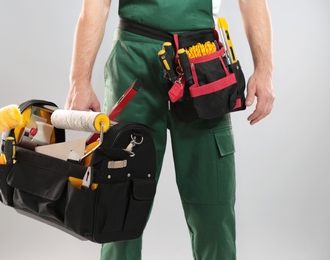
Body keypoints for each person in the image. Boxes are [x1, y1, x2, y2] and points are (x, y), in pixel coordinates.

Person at [65, 0, 275, 259]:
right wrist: (79, 80)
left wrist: (264, 70)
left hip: (201, 61)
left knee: (213, 202)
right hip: (133, 60)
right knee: (118, 198)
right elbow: (97, 5)